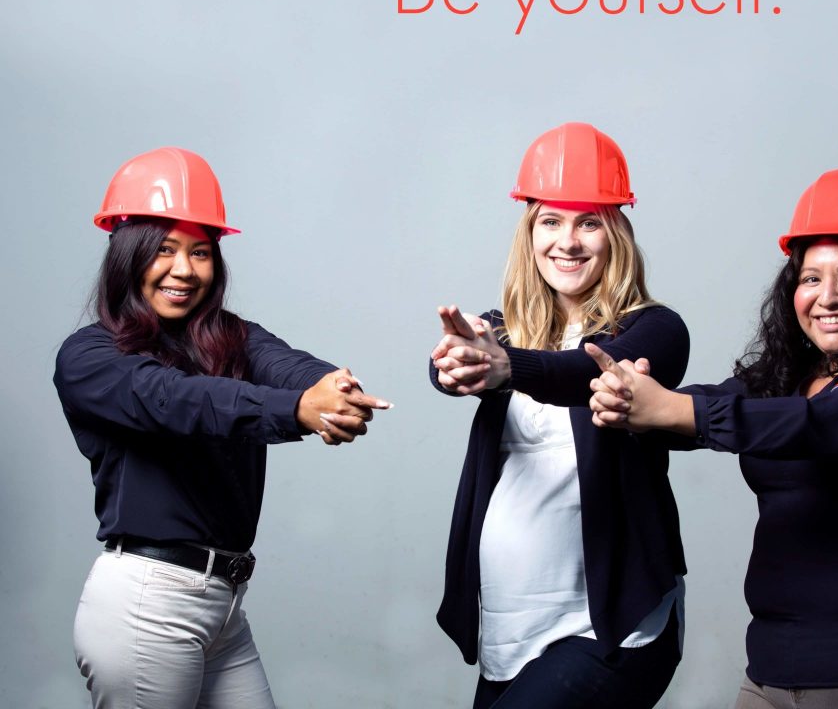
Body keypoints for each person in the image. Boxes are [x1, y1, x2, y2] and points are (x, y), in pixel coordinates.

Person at [589, 168, 838, 709]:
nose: (826, 297)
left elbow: (825, 424)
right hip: (780, 667)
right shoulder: (788, 376)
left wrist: (670, 408)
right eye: (810, 279)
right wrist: (629, 398)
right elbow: (718, 405)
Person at [54, 147, 392, 709]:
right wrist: (295, 411)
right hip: (148, 605)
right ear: (126, 254)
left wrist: (332, 389)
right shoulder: (91, 356)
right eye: (164, 250)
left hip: (224, 603)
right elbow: (182, 400)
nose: (185, 269)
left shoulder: (231, 336)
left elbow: (289, 366)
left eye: (201, 252)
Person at [429, 122, 690, 709]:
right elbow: (464, 363)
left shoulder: (655, 330)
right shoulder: (500, 331)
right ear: (529, 233)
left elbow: (583, 374)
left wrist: (504, 368)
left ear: (616, 232)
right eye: (551, 221)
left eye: (588, 222)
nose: (567, 241)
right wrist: (455, 364)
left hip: (608, 626)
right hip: (510, 628)